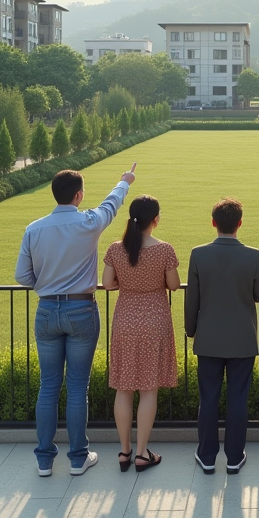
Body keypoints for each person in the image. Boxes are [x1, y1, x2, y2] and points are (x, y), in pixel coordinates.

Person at [15, 164, 136, 478]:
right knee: (77, 387)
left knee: (48, 387)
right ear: (79, 195)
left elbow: (22, 277)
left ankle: (44, 460)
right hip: (81, 309)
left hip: (46, 311)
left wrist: (47, 281)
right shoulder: (89, 222)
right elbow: (111, 205)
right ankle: (78, 458)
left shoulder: (34, 228)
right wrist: (124, 181)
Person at [185, 198, 259, 475]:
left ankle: (207, 456)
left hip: (208, 338)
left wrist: (190, 329)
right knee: (238, 398)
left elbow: (191, 299)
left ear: (213, 222)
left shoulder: (198, 254)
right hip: (243, 339)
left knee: (208, 398)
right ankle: (234, 456)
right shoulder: (254, 256)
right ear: (240, 224)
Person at [102, 194, 181, 473]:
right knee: (149, 389)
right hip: (154, 320)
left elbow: (107, 283)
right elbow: (173, 285)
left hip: (125, 319)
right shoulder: (164, 250)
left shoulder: (115, 248)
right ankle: (142, 453)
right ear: (155, 219)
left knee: (123, 388)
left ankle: (124, 452)